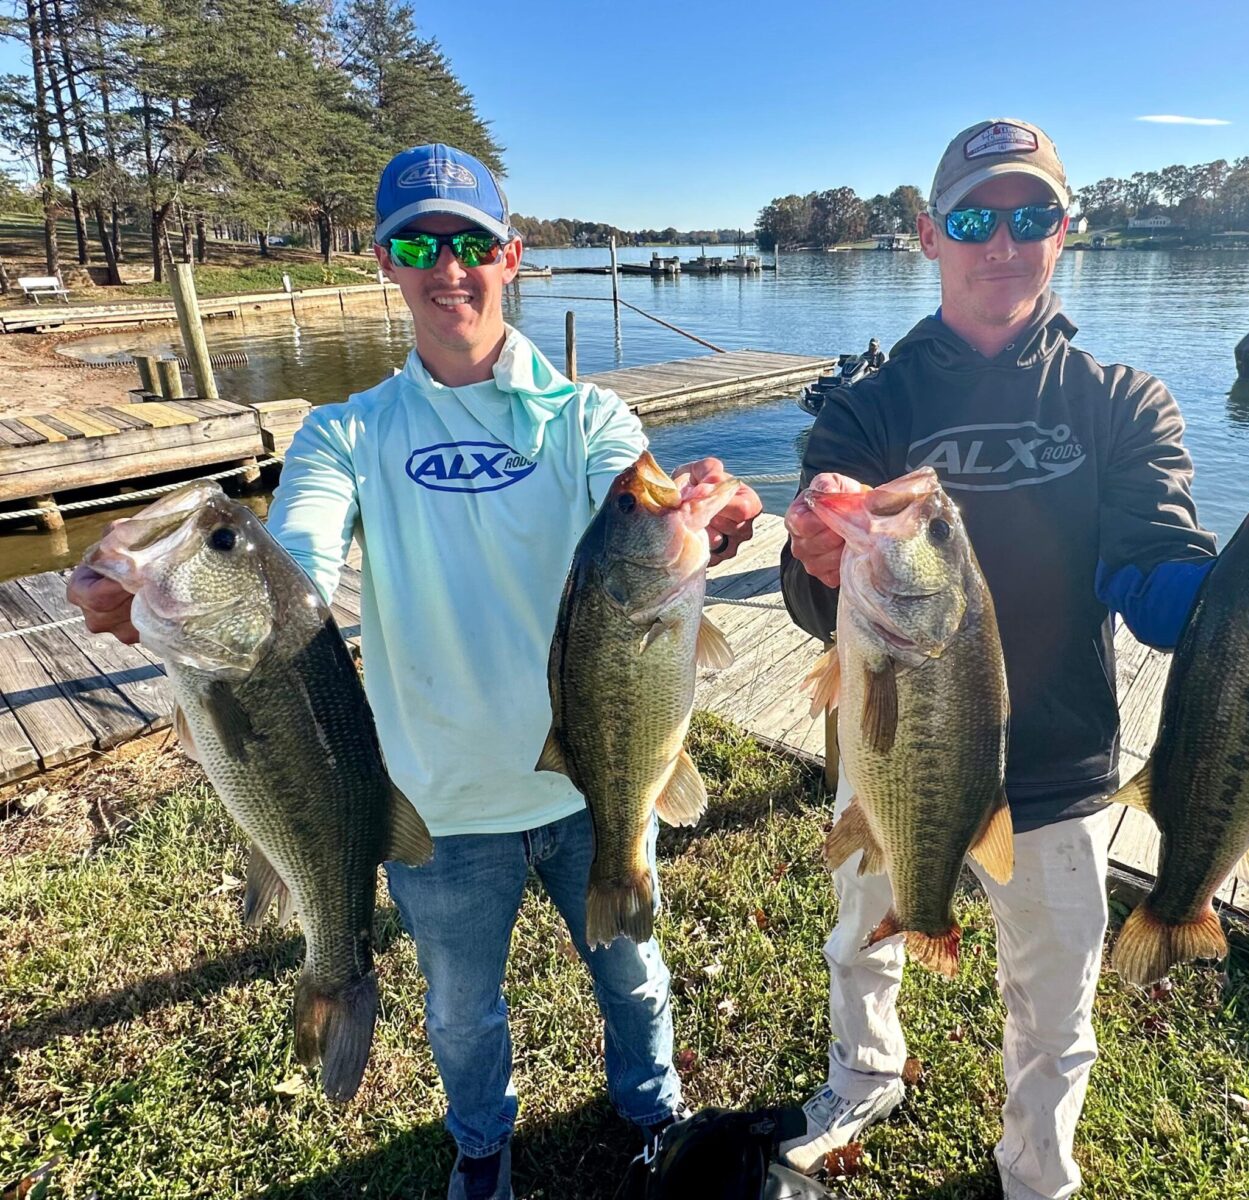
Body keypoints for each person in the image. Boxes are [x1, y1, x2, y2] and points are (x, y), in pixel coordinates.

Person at [66, 143, 762, 1200]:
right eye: (419, 242)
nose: (450, 266)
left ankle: (649, 1109)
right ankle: (481, 1147)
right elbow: (295, 561)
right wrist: (178, 602)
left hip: (592, 780)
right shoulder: (345, 434)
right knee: (459, 1009)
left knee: (632, 971)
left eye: (471, 241)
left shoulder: (590, 420)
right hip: (435, 805)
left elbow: (651, 527)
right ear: (387, 262)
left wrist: (715, 520)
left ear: (512, 255)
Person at [777, 118, 1249, 1199]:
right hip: (897, 749)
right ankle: (863, 1070)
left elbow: (1157, 576)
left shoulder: (1122, 401)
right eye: (976, 217)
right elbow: (810, 599)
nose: (1002, 242)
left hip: (1061, 767)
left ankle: (1037, 1168)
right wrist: (813, 556)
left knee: (1055, 997)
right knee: (860, 941)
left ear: (1063, 233)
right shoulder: (869, 405)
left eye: (1030, 217)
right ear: (930, 235)